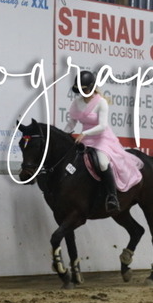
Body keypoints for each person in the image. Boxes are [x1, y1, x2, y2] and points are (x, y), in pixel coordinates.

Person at [63, 71, 144, 214]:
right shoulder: (76, 103)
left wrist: (84, 133)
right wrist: (64, 134)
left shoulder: (101, 102)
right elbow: (71, 123)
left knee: (102, 162)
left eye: (85, 90)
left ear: (91, 87)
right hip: (86, 139)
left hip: (102, 139)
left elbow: (102, 126)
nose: (83, 93)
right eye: (80, 90)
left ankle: (112, 196)